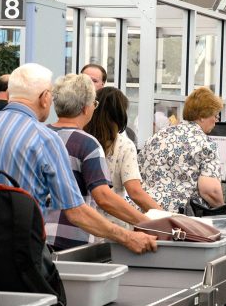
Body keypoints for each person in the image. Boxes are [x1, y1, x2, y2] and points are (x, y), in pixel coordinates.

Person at [0, 63, 156, 282]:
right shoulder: (44, 139)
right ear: (44, 97)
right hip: (16, 255)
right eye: (50, 96)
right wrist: (127, 236)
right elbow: (76, 211)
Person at [45, 74, 153, 249]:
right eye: (94, 104)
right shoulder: (86, 143)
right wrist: (147, 223)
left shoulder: (39, 134)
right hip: (72, 238)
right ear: (86, 108)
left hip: (36, 236)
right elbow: (103, 197)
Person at [139, 87, 224, 213]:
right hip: (180, 218)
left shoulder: (158, 135)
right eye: (215, 116)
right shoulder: (205, 144)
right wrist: (224, 209)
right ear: (202, 116)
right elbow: (210, 191)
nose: (216, 121)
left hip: (146, 211)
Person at [84, 87, 162, 218]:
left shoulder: (82, 140)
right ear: (120, 115)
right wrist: (166, 216)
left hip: (84, 220)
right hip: (112, 223)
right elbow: (135, 191)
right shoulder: (124, 146)